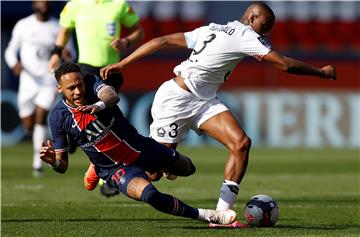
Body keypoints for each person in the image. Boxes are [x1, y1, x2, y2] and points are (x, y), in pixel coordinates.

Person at [100, 1, 337, 213]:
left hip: (203, 101)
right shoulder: (246, 35)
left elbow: (161, 41)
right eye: (263, 27)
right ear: (252, 18)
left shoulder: (211, 28)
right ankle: (111, 163)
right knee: (153, 173)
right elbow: (284, 64)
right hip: (175, 100)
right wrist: (321, 73)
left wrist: (123, 63)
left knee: (241, 143)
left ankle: (222, 213)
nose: (264, 35)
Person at [39, 62, 240, 227]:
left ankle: (163, 168)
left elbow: (112, 95)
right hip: (114, 168)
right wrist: (52, 162)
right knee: (150, 194)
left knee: (188, 168)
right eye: (71, 88)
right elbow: (61, 165)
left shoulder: (91, 83)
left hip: (140, 146)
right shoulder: (58, 118)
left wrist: (98, 105)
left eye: (79, 85)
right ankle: (208, 215)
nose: (77, 91)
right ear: (59, 89)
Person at [48, 0, 145, 196]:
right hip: (86, 69)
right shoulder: (75, 5)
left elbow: (139, 32)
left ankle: (100, 170)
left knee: (107, 121)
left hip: (111, 70)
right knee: (89, 122)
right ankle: (92, 161)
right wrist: (56, 53)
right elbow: (64, 30)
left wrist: (126, 41)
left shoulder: (119, 5)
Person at [4, 0, 75, 177]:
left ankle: (38, 162)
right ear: (34, 4)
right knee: (29, 124)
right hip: (28, 79)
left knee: (41, 115)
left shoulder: (59, 26)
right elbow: (10, 50)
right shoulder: (24, 25)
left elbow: (71, 52)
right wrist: (14, 63)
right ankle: (42, 142)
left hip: (49, 79)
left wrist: (67, 54)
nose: (43, 3)